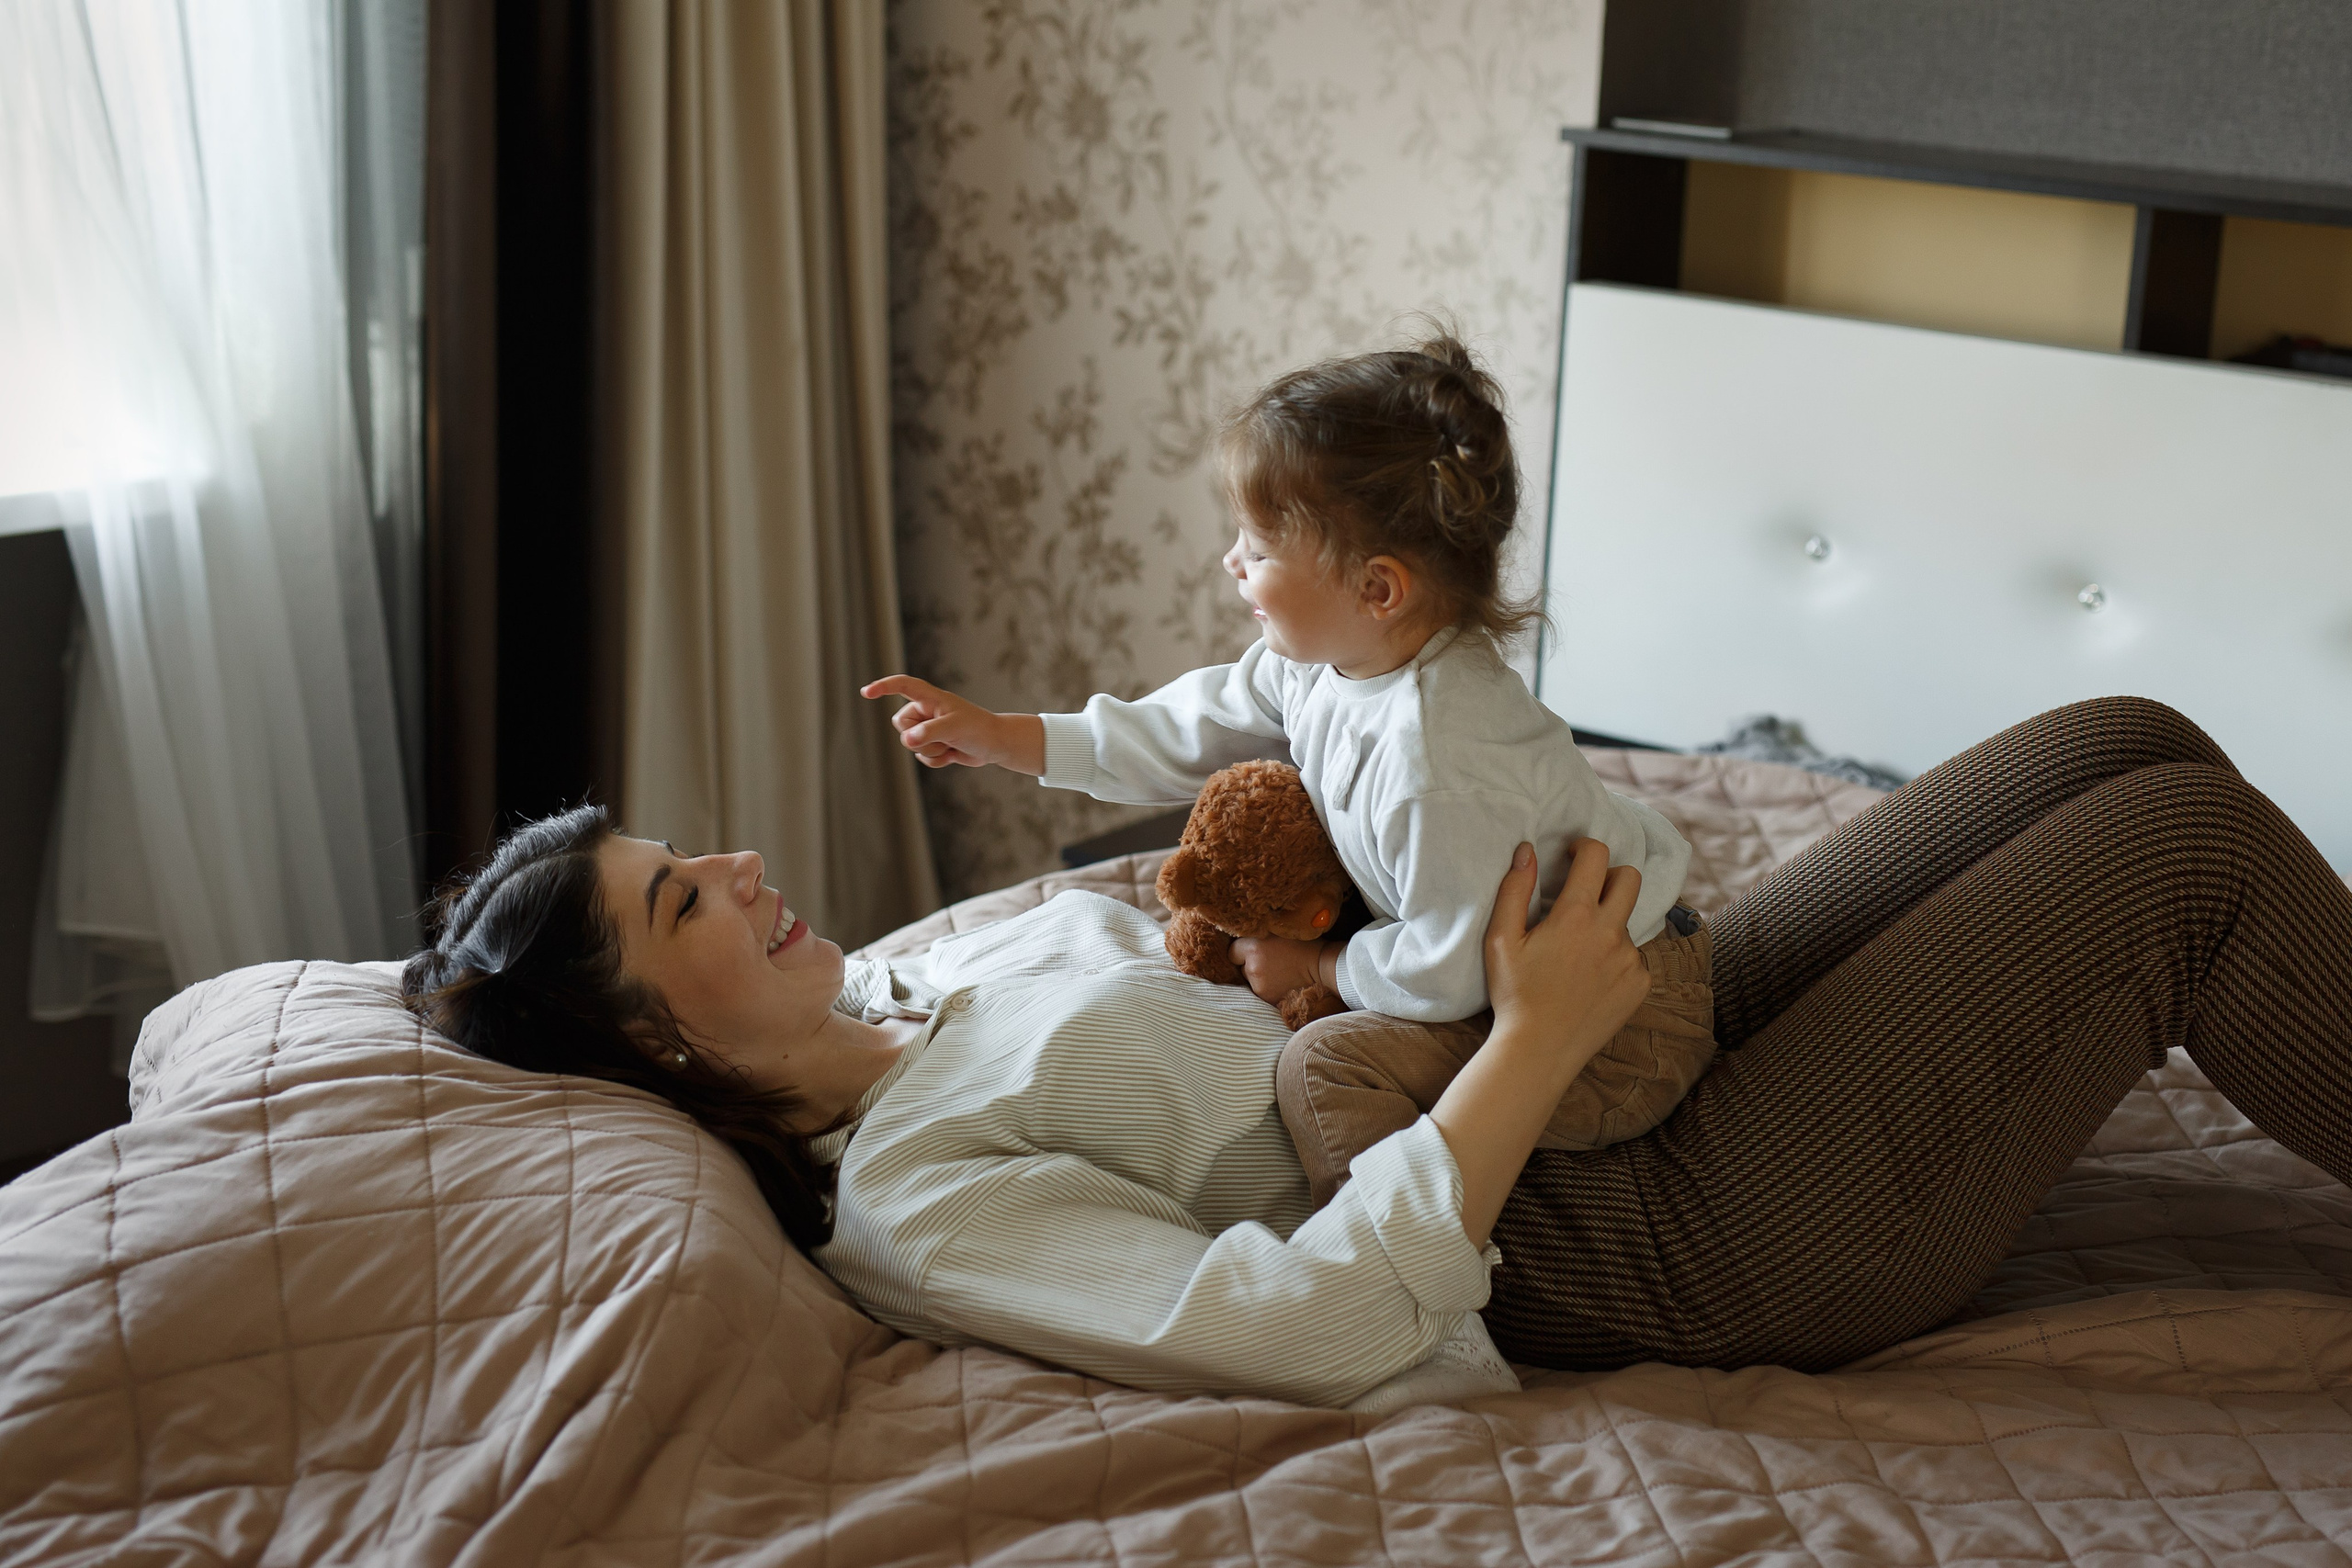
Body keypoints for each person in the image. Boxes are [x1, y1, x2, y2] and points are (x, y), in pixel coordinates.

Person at [405, 699, 2352, 1390]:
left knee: (2118, 743)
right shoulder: (913, 1197)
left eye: (688, 851)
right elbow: (1298, 1326)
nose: (739, 867)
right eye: (683, 900)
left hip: (1552, 1063)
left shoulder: (929, 983)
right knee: (2167, 859)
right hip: (1630, 1227)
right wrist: (1524, 1046)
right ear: (662, 1050)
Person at [861, 333, 1716, 1209]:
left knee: (1324, 1066)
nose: (1232, 563)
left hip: (1620, 1018)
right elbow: (1186, 729)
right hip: (1539, 954)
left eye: (1259, 549)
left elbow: (1445, 970)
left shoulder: (1436, 763)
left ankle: (1396, 1263)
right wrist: (1008, 736)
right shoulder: (1326, 661)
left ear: (1378, 589)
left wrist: (1319, 966)